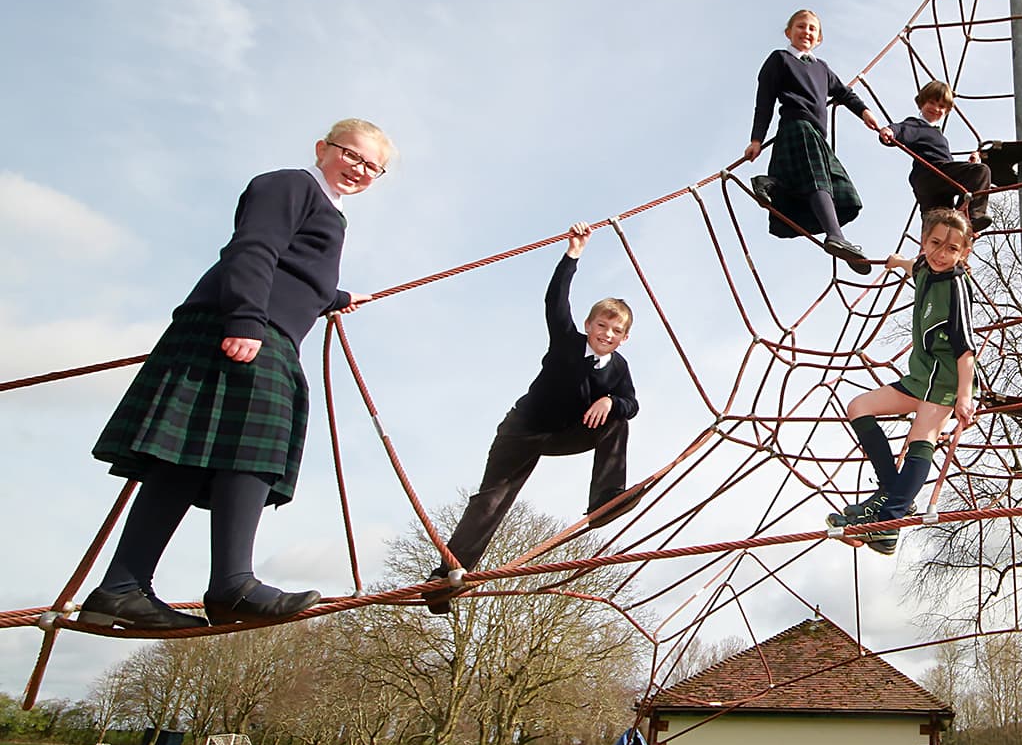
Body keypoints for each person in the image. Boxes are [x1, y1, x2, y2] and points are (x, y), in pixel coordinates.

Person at [79, 119, 392, 631]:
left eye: (373, 167)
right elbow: (255, 248)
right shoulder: (291, 184)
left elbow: (294, 270)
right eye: (352, 155)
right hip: (245, 326)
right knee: (258, 441)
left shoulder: (330, 212)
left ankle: (121, 588)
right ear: (323, 148)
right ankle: (232, 585)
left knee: (185, 458)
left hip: (263, 323)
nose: (359, 170)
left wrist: (333, 298)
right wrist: (246, 317)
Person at [425, 221, 639, 613]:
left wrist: (610, 400)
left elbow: (631, 403)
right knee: (491, 501)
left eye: (616, 331)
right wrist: (572, 256)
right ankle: (446, 578)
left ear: (625, 338)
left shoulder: (618, 367)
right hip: (522, 432)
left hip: (565, 435)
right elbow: (554, 301)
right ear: (589, 325)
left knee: (618, 419)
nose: (607, 334)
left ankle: (604, 497)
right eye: (601, 326)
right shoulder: (567, 342)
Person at [827, 208, 978, 555]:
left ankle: (889, 523)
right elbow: (918, 269)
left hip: (946, 378)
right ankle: (890, 491)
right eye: (935, 243)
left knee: (921, 437)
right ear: (923, 242)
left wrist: (965, 395)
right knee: (859, 407)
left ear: (964, 253)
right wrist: (899, 263)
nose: (942, 254)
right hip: (920, 372)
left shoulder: (956, 285)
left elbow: (965, 346)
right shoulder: (926, 266)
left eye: (952, 249)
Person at [745, 8, 883, 274]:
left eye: (812, 29)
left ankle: (773, 186)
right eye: (800, 26)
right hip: (796, 127)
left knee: (845, 197)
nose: (806, 32)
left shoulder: (822, 68)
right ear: (789, 32)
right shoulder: (780, 59)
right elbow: (764, 102)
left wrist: (865, 113)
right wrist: (757, 139)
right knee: (819, 183)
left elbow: (844, 93)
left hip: (817, 136)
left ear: (819, 38)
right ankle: (835, 237)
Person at [880, 80, 992, 232]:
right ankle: (971, 217)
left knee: (936, 223)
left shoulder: (939, 135)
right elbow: (901, 129)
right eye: (932, 103)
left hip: (933, 182)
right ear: (921, 103)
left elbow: (945, 161)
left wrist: (967, 163)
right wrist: (890, 131)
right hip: (931, 173)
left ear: (946, 111)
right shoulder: (917, 124)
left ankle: (926, 252)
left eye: (942, 106)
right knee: (980, 171)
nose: (936, 109)